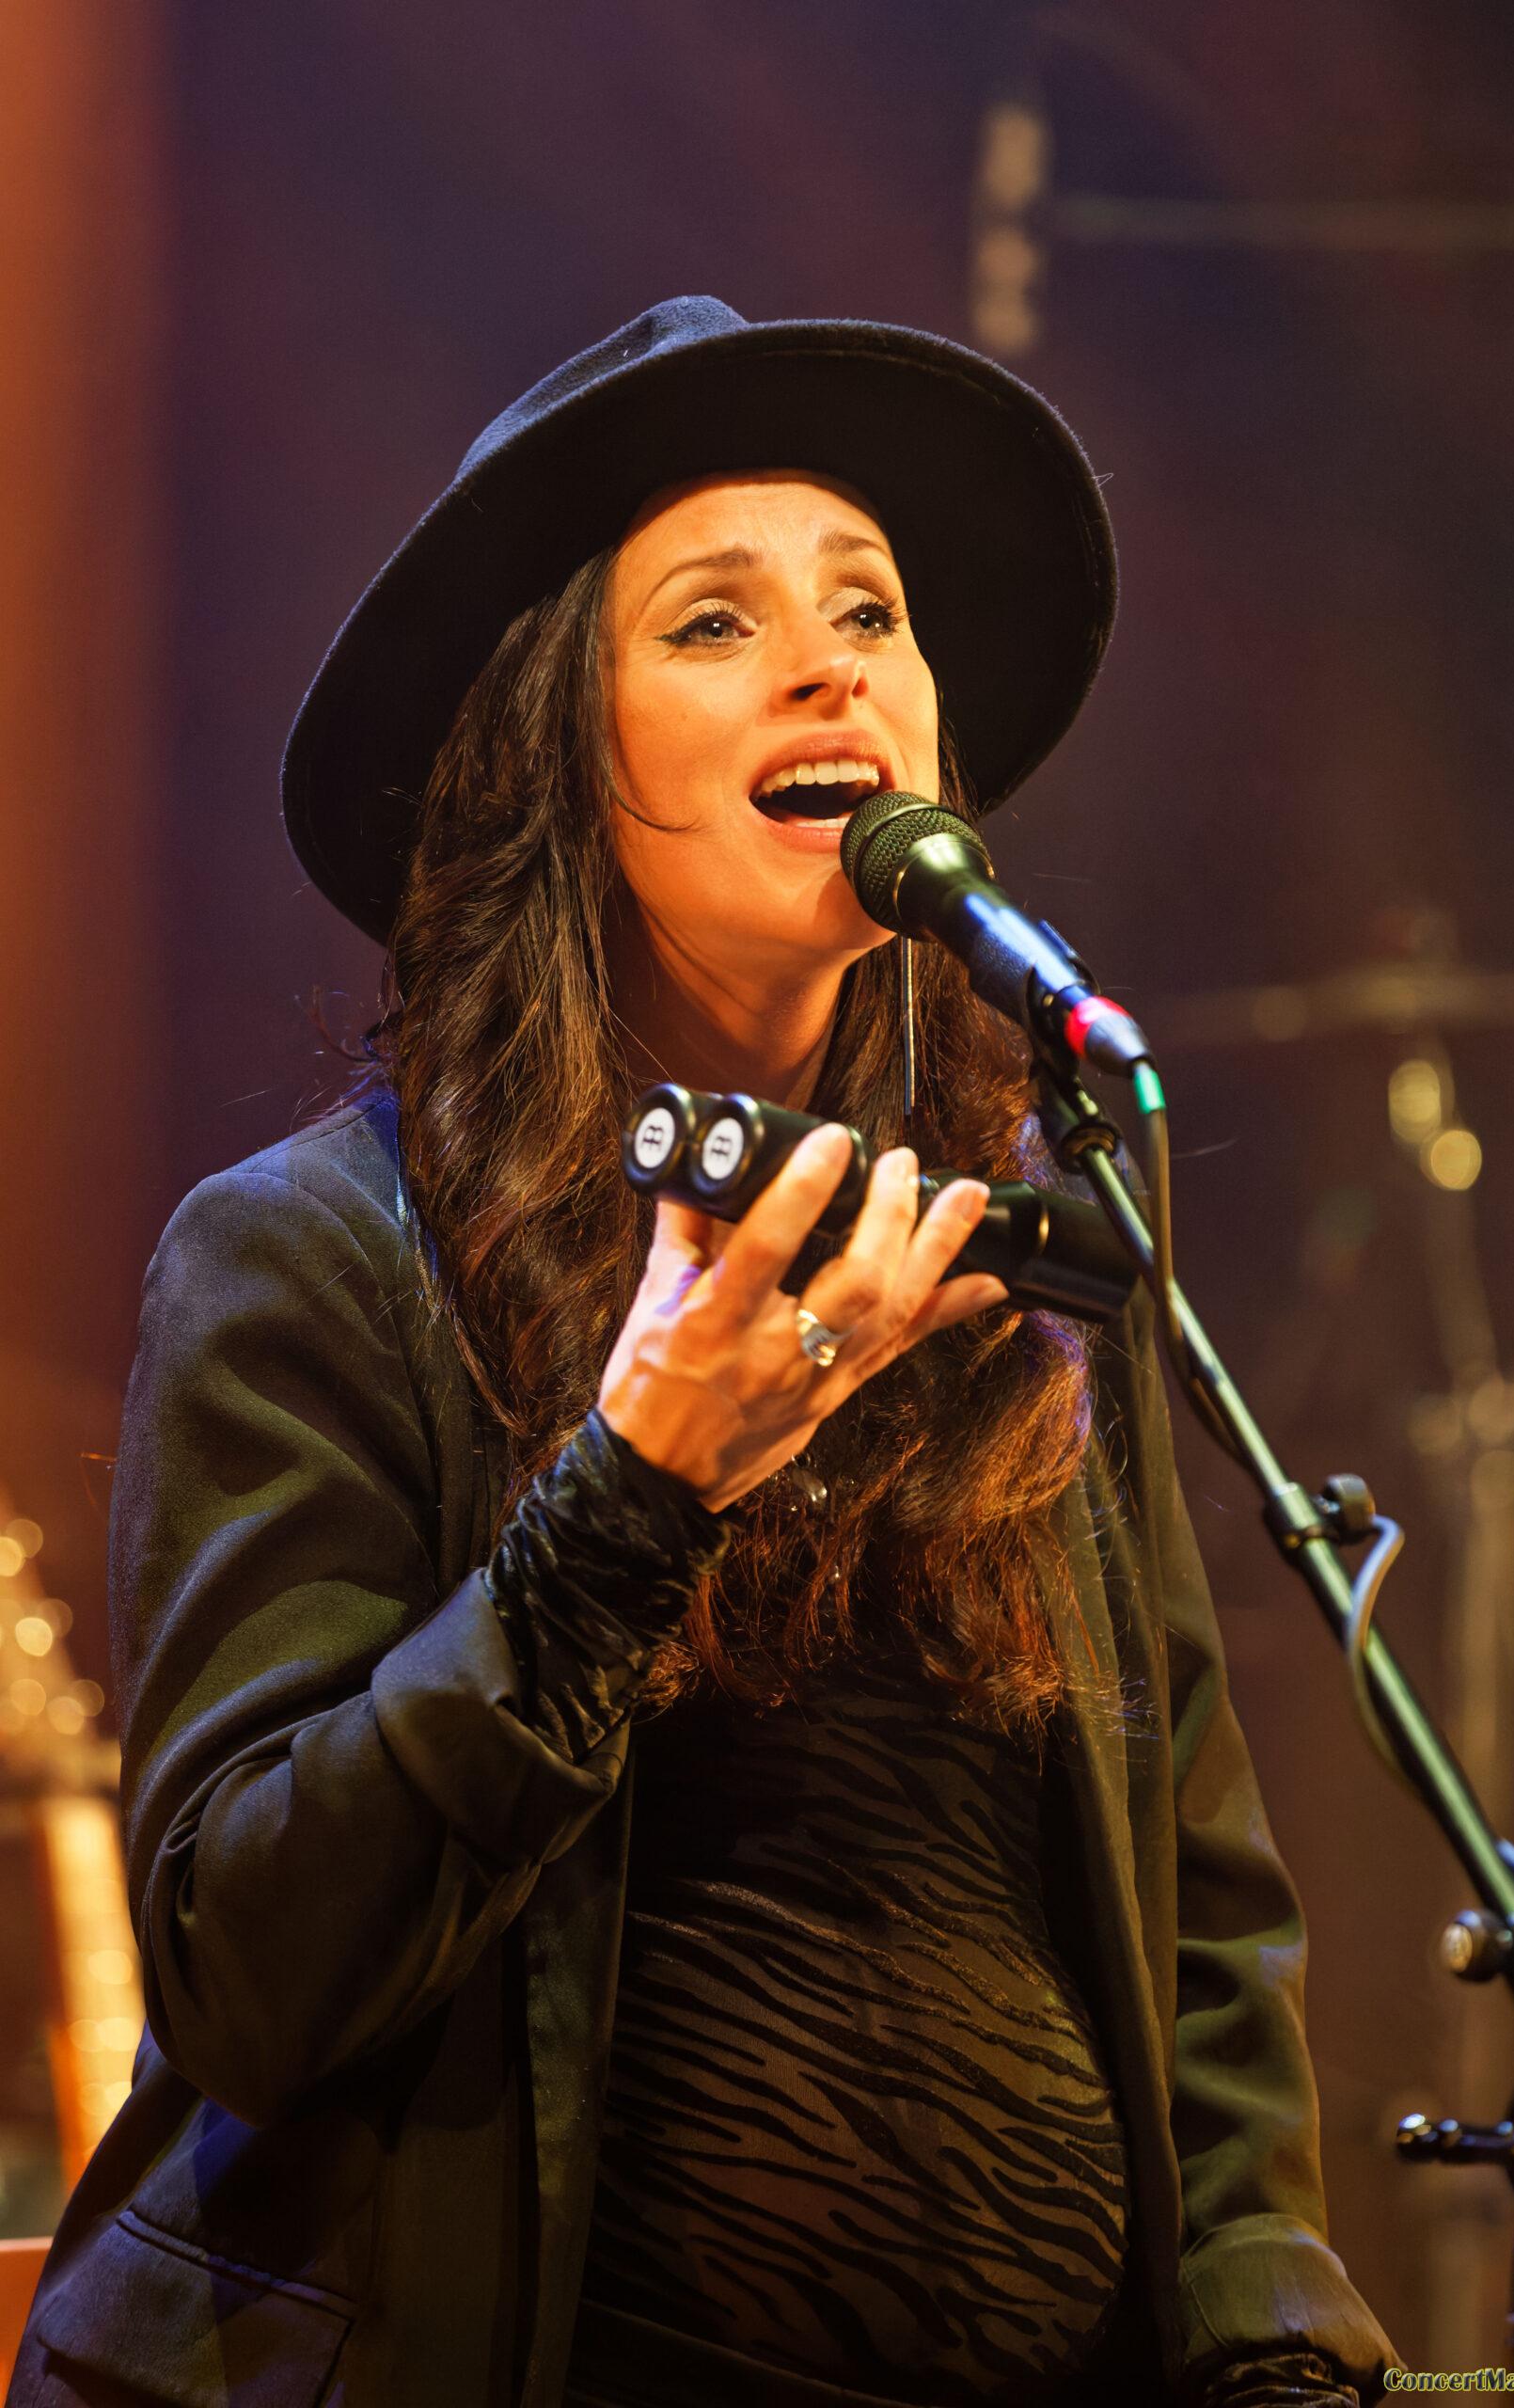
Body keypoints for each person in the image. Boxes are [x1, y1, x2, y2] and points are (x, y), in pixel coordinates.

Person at [8, 296, 1397, 2408]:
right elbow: (245, 1972)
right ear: (556, 759)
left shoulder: (1001, 1258)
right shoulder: (315, 1256)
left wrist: (1275, 2338)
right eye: (716, 622)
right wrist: (628, 1496)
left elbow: (1196, 1921)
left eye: (871, 610)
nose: (833, 665)